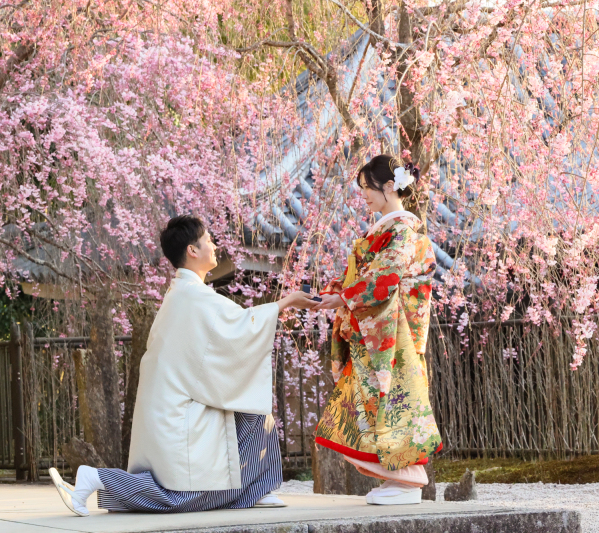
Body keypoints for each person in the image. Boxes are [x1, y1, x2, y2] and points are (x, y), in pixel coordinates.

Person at [49, 215, 315, 516]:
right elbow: (243, 326)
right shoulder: (193, 296)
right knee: (180, 499)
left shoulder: (183, 294)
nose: (214, 246)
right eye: (208, 241)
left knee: (252, 403)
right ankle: (97, 477)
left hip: (174, 406)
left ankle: (255, 488)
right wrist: (288, 301)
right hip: (178, 413)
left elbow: (228, 341)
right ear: (192, 250)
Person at [312, 155, 443, 505]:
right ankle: (397, 477)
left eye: (368, 188)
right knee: (370, 405)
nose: (365, 196)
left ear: (389, 187)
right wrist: (331, 295)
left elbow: (384, 280)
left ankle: (407, 477)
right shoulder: (385, 231)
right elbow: (363, 278)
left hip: (393, 335)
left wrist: (342, 298)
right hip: (378, 332)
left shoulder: (401, 231)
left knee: (393, 402)